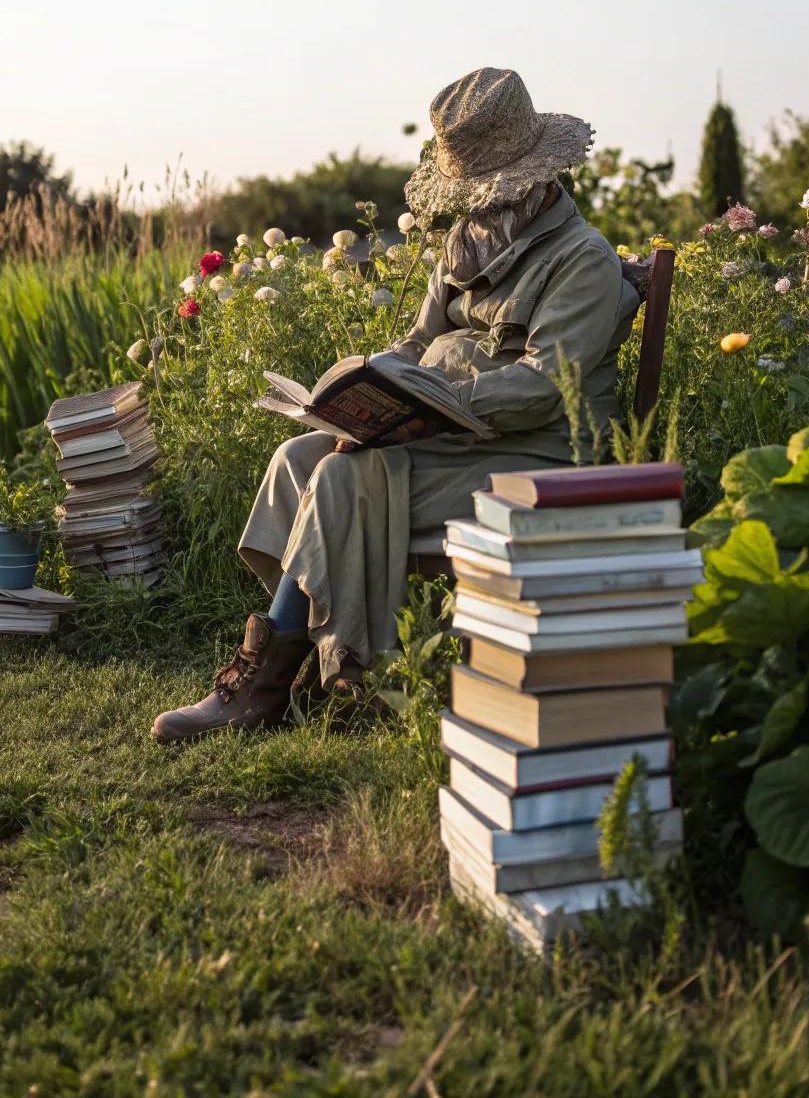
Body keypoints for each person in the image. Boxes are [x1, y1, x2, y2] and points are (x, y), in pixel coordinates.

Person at [151, 67, 640, 742]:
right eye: (474, 192)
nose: (480, 205)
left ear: (534, 178)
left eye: (492, 190)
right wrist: (371, 395)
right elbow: (416, 342)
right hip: (446, 435)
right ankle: (321, 654)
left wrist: (426, 410)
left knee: (342, 477)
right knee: (298, 458)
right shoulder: (465, 245)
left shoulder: (582, 259)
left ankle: (265, 689)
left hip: (536, 451)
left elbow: (543, 386)